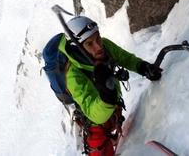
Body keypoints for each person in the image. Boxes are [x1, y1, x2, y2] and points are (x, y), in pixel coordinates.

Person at [59, 15, 162, 156]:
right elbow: (94, 114)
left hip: (114, 109)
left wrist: (142, 67)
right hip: (95, 127)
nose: (98, 46)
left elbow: (124, 58)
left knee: (113, 127)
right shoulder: (74, 75)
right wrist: (108, 95)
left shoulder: (105, 46)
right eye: (89, 44)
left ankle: (112, 138)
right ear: (77, 49)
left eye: (98, 38)